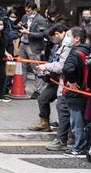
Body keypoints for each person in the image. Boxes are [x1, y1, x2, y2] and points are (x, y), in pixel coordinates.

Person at [31, 25, 71, 134]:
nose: (51, 40)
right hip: (55, 79)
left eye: (51, 37)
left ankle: (67, 133)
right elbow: (54, 60)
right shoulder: (59, 44)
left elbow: (61, 66)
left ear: (57, 34)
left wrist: (46, 67)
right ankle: (44, 123)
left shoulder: (67, 45)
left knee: (63, 107)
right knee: (43, 99)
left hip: (65, 81)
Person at [60, 27, 90, 157]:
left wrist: (71, 81)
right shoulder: (87, 50)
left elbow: (68, 69)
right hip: (85, 92)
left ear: (77, 38)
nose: (67, 39)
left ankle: (79, 148)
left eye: (69, 36)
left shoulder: (75, 52)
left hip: (76, 93)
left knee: (77, 123)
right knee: (84, 122)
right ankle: (83, 146)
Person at [18, 3, 48, 99]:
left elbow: (43, 34)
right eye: (26, 11)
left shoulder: (41, 20)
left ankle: (38, 90)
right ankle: (20, 87)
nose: (27, 13)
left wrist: (29, 33)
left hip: (34, 46)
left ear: (35, 10)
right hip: (23, 43)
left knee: (37, 68)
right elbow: (21, 26)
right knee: (21, 68)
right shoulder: (24, 17)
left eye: (29, 11)